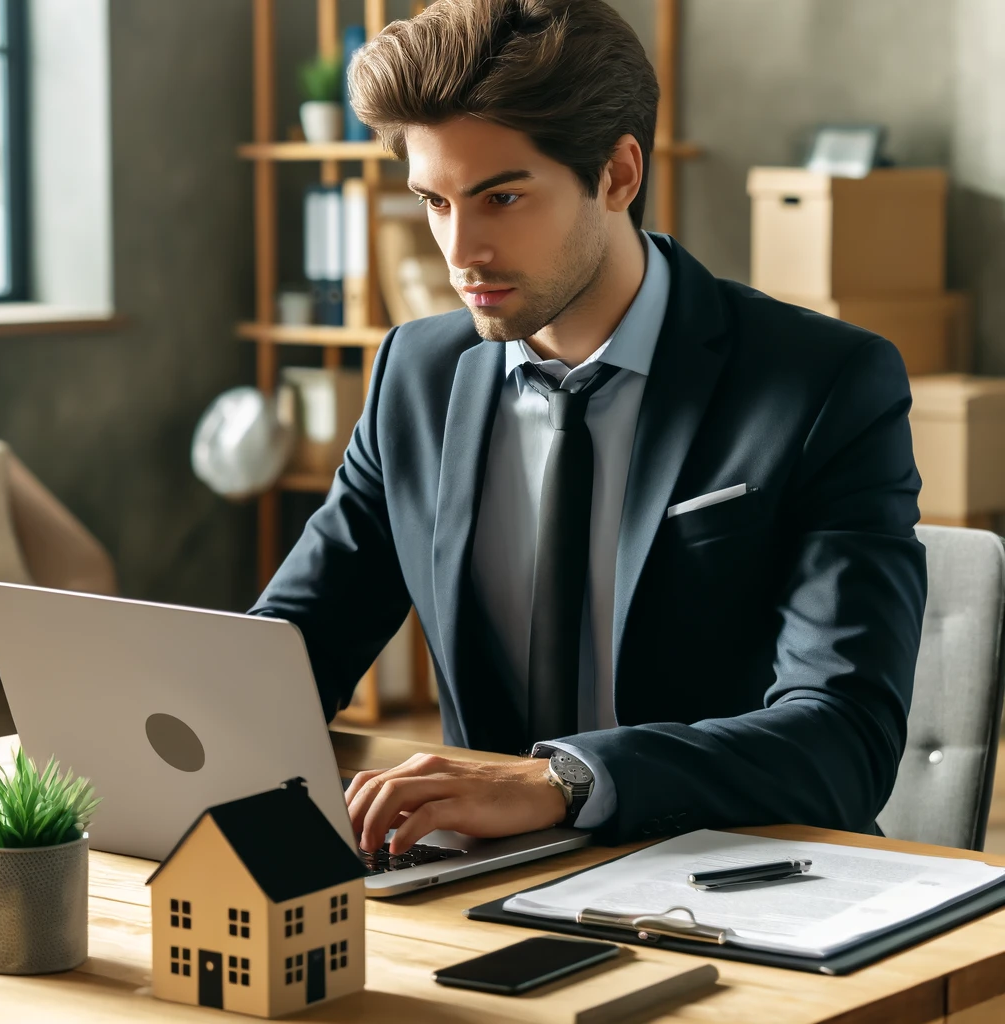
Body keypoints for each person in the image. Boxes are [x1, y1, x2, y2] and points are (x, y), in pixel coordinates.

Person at [249, 0, 926, 857]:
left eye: (501, 197)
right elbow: (291, 651)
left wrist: (565, 781)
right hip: (476, 879)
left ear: (617, 174)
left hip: (729, 876)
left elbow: (844, 740)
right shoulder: (414, 375)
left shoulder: (824, 385)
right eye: (435, 201)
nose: (461, 252)